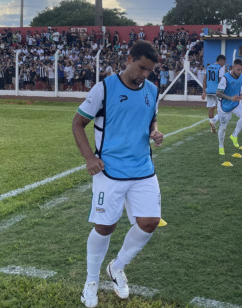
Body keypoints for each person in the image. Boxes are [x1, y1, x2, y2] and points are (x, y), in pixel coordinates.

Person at [72, 41, 163, 308]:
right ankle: (91, 281)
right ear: (129, 59)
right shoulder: (104, 89)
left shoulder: (152, 90)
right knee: (105, 227)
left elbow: (150, 119)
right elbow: (78, 123)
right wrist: (90, 157)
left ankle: (117, 266)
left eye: (149, 70)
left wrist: (155, 132)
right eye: (141, 68)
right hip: (109, 171)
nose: (145, 75)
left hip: (143, 169)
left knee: (149, 222)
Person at [215, 58, 242, 155]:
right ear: (233, 67)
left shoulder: (241, 77)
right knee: (223, 128)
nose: (240, 72)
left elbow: (239, 86)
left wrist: (241, 95)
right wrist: (230, 98)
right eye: (238, 69)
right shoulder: (225, 78)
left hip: (236, 103)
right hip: (224, 106)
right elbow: (218, 93)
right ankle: (221, 145)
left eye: (241, 70)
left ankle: (234, 135)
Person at [201, 55, 226, 133]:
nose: (224, 64)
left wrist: (203, 91)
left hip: (209, 91)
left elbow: (204, 79)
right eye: (224, 62)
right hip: (217, 91)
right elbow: (221, 80)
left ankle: (212, 128)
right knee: (221, 109)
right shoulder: (220, 68)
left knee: (211, 108)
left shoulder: (208, 67)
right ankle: (214, 121)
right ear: (220, 60)